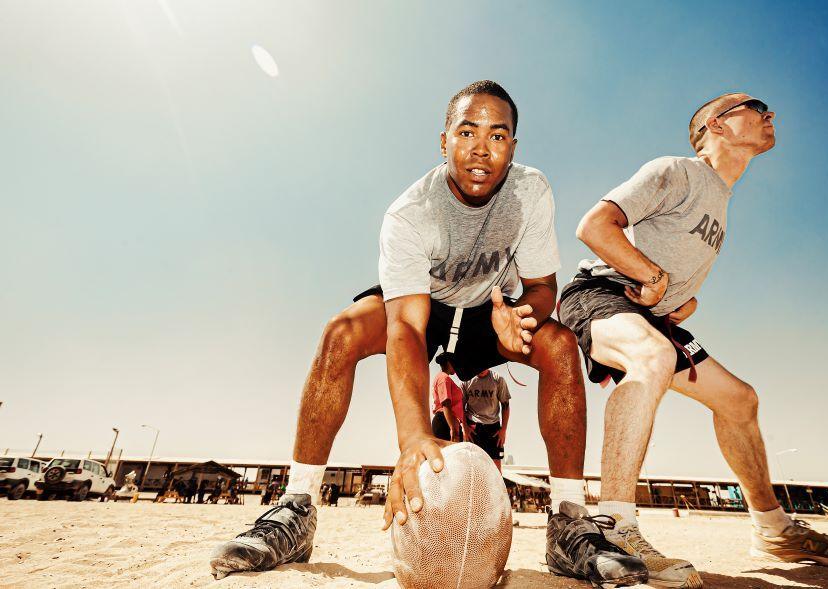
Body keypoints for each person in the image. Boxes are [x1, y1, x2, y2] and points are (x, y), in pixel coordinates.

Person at [210, 80, 648, 586]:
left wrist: (522, 315)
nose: (481, 149)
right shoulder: (410, 213)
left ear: (514, 146)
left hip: (492, 310)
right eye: (467, 132)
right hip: (427, 307)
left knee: (560, 343)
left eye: (498, 135)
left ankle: (570, 523)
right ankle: (297, 507)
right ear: (444, 141)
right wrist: (413, 437)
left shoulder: (530, 192)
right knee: (342, 332)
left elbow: (544, 287)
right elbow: (406, 329)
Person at [559, 92, 828, 585]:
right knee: (651, 355)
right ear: (716, 125)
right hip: (597, 293)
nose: (769, 114)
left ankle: (774, 529)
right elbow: (595, 227)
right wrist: (650, 275)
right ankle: (615, 524)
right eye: (754, 106)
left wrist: (680, 302)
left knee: (740, 401)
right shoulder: (677, 172)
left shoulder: (721, 201)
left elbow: (670, 282)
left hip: (655, 316)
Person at [461, 368, 510, 471]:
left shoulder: (498, 379)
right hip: (473, 427)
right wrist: (464, 427)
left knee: (496, 466)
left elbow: (505, 405)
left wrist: (503, 430)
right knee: (472, 465)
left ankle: (496, 487)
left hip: (493, 427)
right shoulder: (466, 380)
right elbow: (460, 407)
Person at [431, 353, 464, 442]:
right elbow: (445, 403)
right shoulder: (443, 378)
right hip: (445, 422)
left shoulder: (443, 377)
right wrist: (452, 428)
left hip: (447, 421)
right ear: (449, 363)